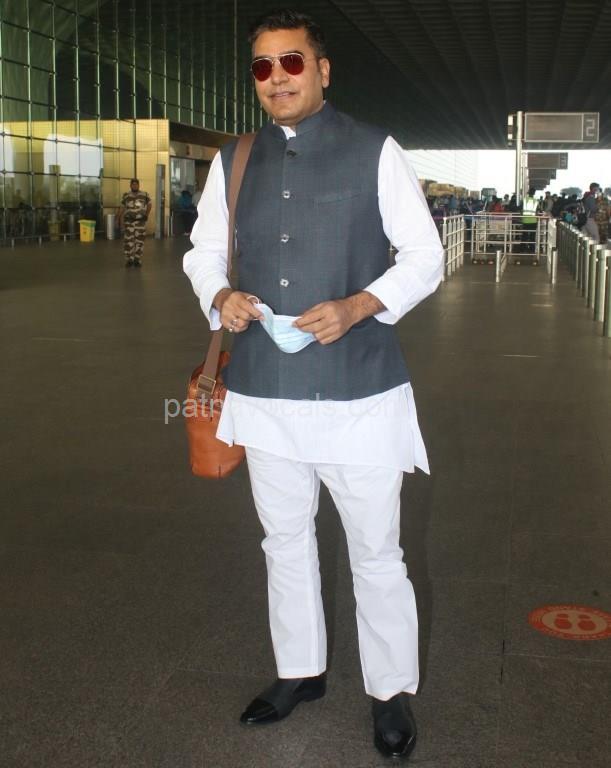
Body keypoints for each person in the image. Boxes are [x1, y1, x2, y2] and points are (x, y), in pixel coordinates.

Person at [184, 8, 443, 761]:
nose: (276, 78)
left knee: (377, 552)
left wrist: (361, 304)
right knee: (284, 539)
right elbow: (202, 250)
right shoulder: (235, 158)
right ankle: (300, 671)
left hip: (358, 391)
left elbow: (424, 255)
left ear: (321, 70)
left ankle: (390, 692)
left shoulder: (374, 149)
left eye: (291, 62)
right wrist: (219, 295)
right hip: (264, 389)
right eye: (262, 67)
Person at [117, 178, 151, 267]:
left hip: (140, 222)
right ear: (130, 185)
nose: (134, 186)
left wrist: (146, 215)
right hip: (129, 222)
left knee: (140, 241)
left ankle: (137, 259)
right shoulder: (126, 195)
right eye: (133, 184)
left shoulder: (144, 194)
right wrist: (118, 217)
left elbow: (150, 204)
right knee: (128, 241)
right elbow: (122, 207)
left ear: (138, 185)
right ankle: (129, 260)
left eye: (136, 184)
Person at [521, 186, 538, 255]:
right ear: (534, 193)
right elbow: (537, 211)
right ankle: (531, 249)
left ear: (528, 193)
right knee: (532, 236)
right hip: (533, 221)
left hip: (525, 220)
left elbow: (521, 210)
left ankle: (522, 249)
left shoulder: (524, 200)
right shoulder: (536, 201)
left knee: (524, 235)